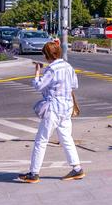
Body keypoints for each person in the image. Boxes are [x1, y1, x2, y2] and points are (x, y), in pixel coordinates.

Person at [18, 42, 84, 183]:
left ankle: (34, 173)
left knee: (41, 140)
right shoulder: (68, 66)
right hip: (67, 107)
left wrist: (37, 73)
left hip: (53, 108)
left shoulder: (52, 69)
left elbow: (39, 85)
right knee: (66, 138)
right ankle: (77, 169)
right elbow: (75, 85)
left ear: (48, 55)